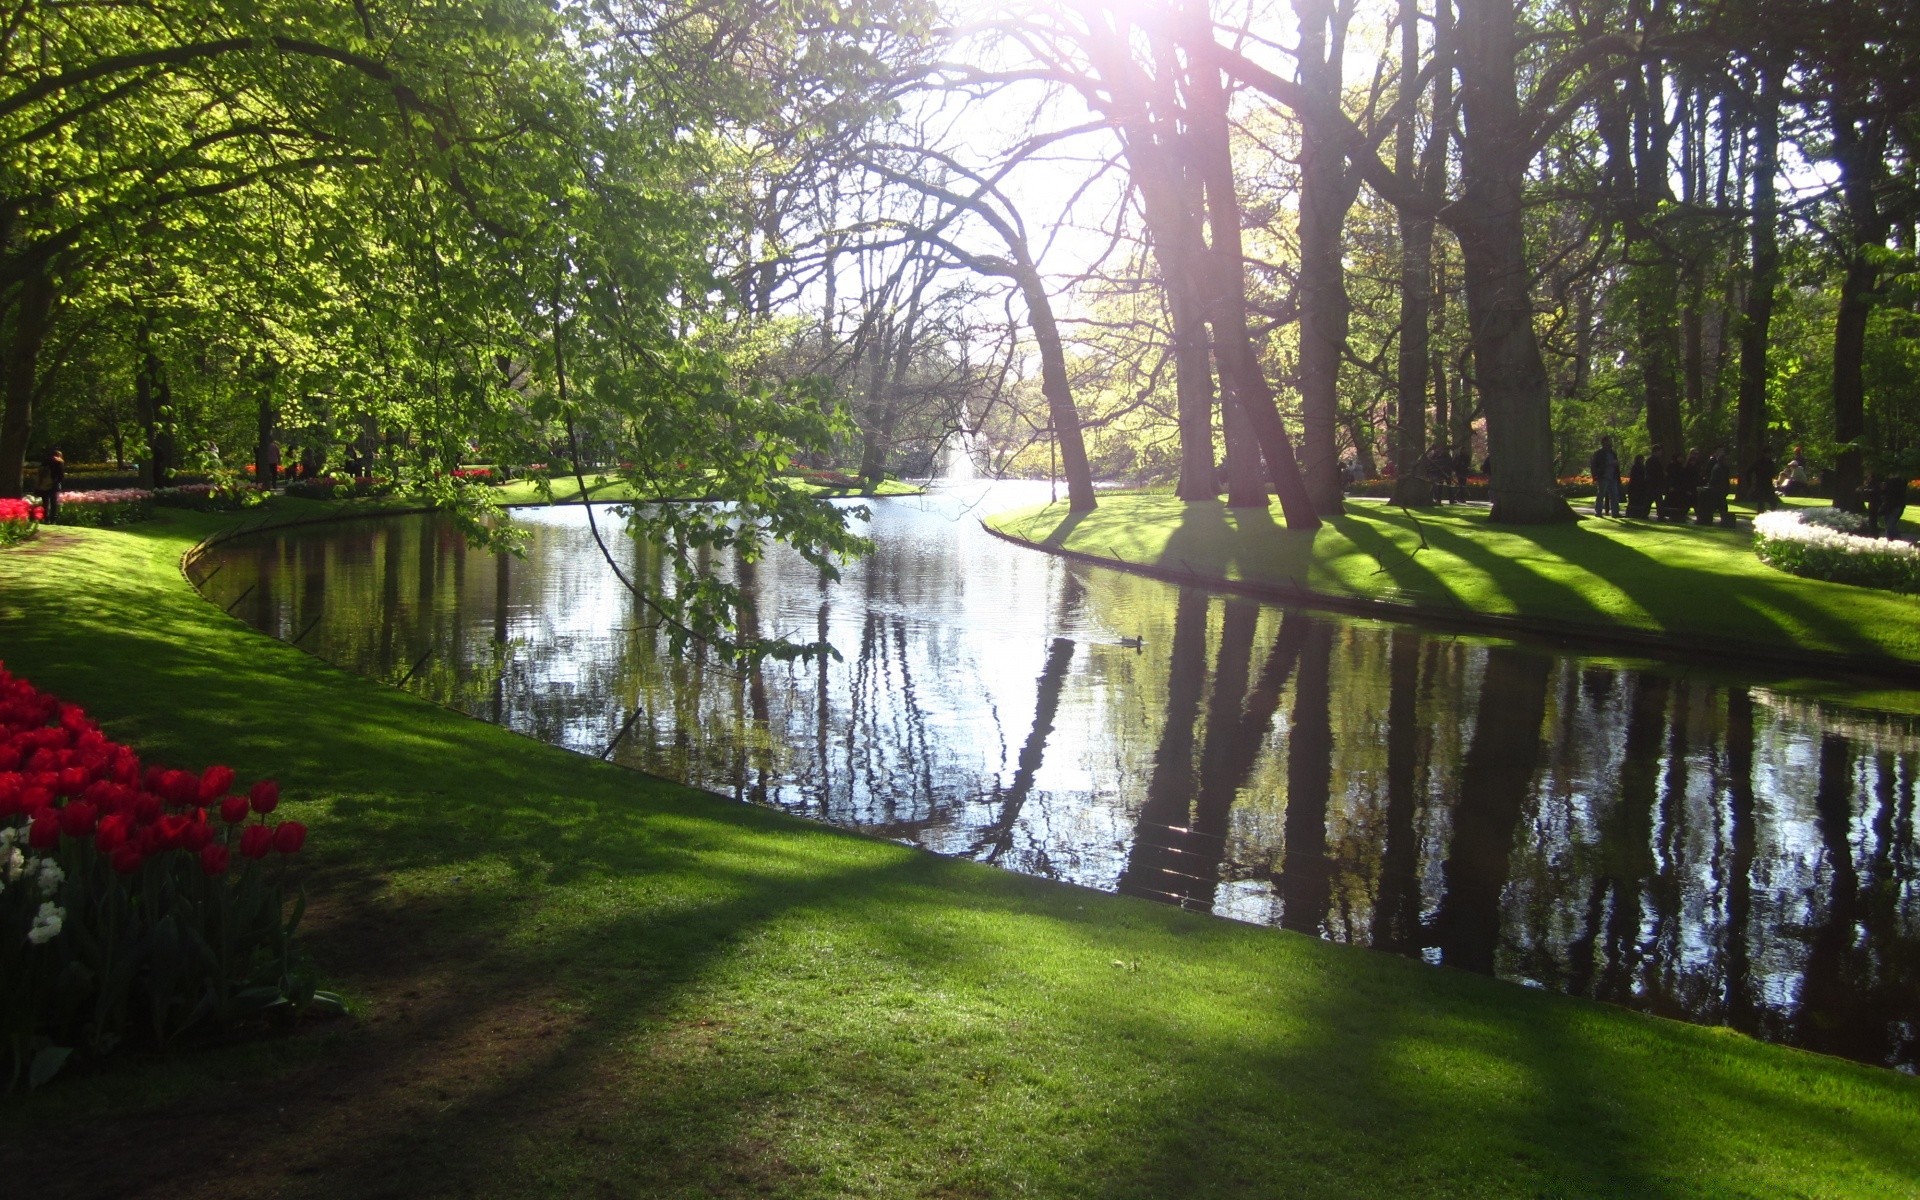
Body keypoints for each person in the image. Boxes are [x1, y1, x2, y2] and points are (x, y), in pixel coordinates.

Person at [1589, 435, 1622, 517]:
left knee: (1614, 495)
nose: (1610, 442)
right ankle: (1598, 512)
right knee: (1601, 494)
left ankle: (1615, 513)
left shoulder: (1613, 453)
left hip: (1613, 476)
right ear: (1604, 442)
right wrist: (1595, 476)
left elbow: (1616, 465)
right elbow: (1594, 465)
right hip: (1603, 476)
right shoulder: (1599, 453)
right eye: (1608, 441)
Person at [1698, 450, 1733, 526]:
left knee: (1721, 507)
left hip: (1718, 491)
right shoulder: (1719, 468)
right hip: (1717, 492)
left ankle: (1722, 521)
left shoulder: (1721, 468)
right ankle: (1723, 522)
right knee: (1721, 507)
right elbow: (1718, 481)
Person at [35, 447, 63, 523]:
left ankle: (45, 518)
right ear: (58, 455)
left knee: (45, 502)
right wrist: (58, 482)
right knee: (53, 502)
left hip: (44, 484)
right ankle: (53, 519)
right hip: (53, 484)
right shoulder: (58, 462)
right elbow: (60, 475)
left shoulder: (44, 461)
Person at [1746, 447, 1779, 512]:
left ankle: (1773, 514)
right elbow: (1749, 471)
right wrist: (1750, 483)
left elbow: (1773, 472)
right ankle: (1760, 515)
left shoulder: (1770, 463)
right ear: (1765, 454)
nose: (1770, 455)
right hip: (1760, 484)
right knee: (1761, 502)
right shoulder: (1759, 462)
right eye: (1768, 453)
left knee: (1773, 502)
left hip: (1768, 484)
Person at [1882, 472, 1910, 539]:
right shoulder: (1900, 483)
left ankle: (1896, 539)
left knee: (1889, 525)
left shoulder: (1893, 483)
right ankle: (1892, 539)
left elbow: (1886, 493)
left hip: (1894, 506)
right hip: (1893, 505)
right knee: (1889, 525)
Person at [1642, 446, 1666, 519]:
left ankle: (1644, 514)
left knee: (1649, 499)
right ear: (1656, 451)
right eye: (1659, 451)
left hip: (1651, 482)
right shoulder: (1655, 460)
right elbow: (1657, 472)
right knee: (1658, 500)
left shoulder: (1649, 460)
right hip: (1655, 483)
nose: (1661, 453)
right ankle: (1660, 515)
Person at [1626, 453, 1650, 518]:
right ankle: (1636, 513)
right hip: (1637, 486)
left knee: (1634, 501)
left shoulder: (1636, 467)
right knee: (1636, 500)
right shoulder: (1640, 467)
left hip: (1635, 486)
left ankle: (1632, 513)